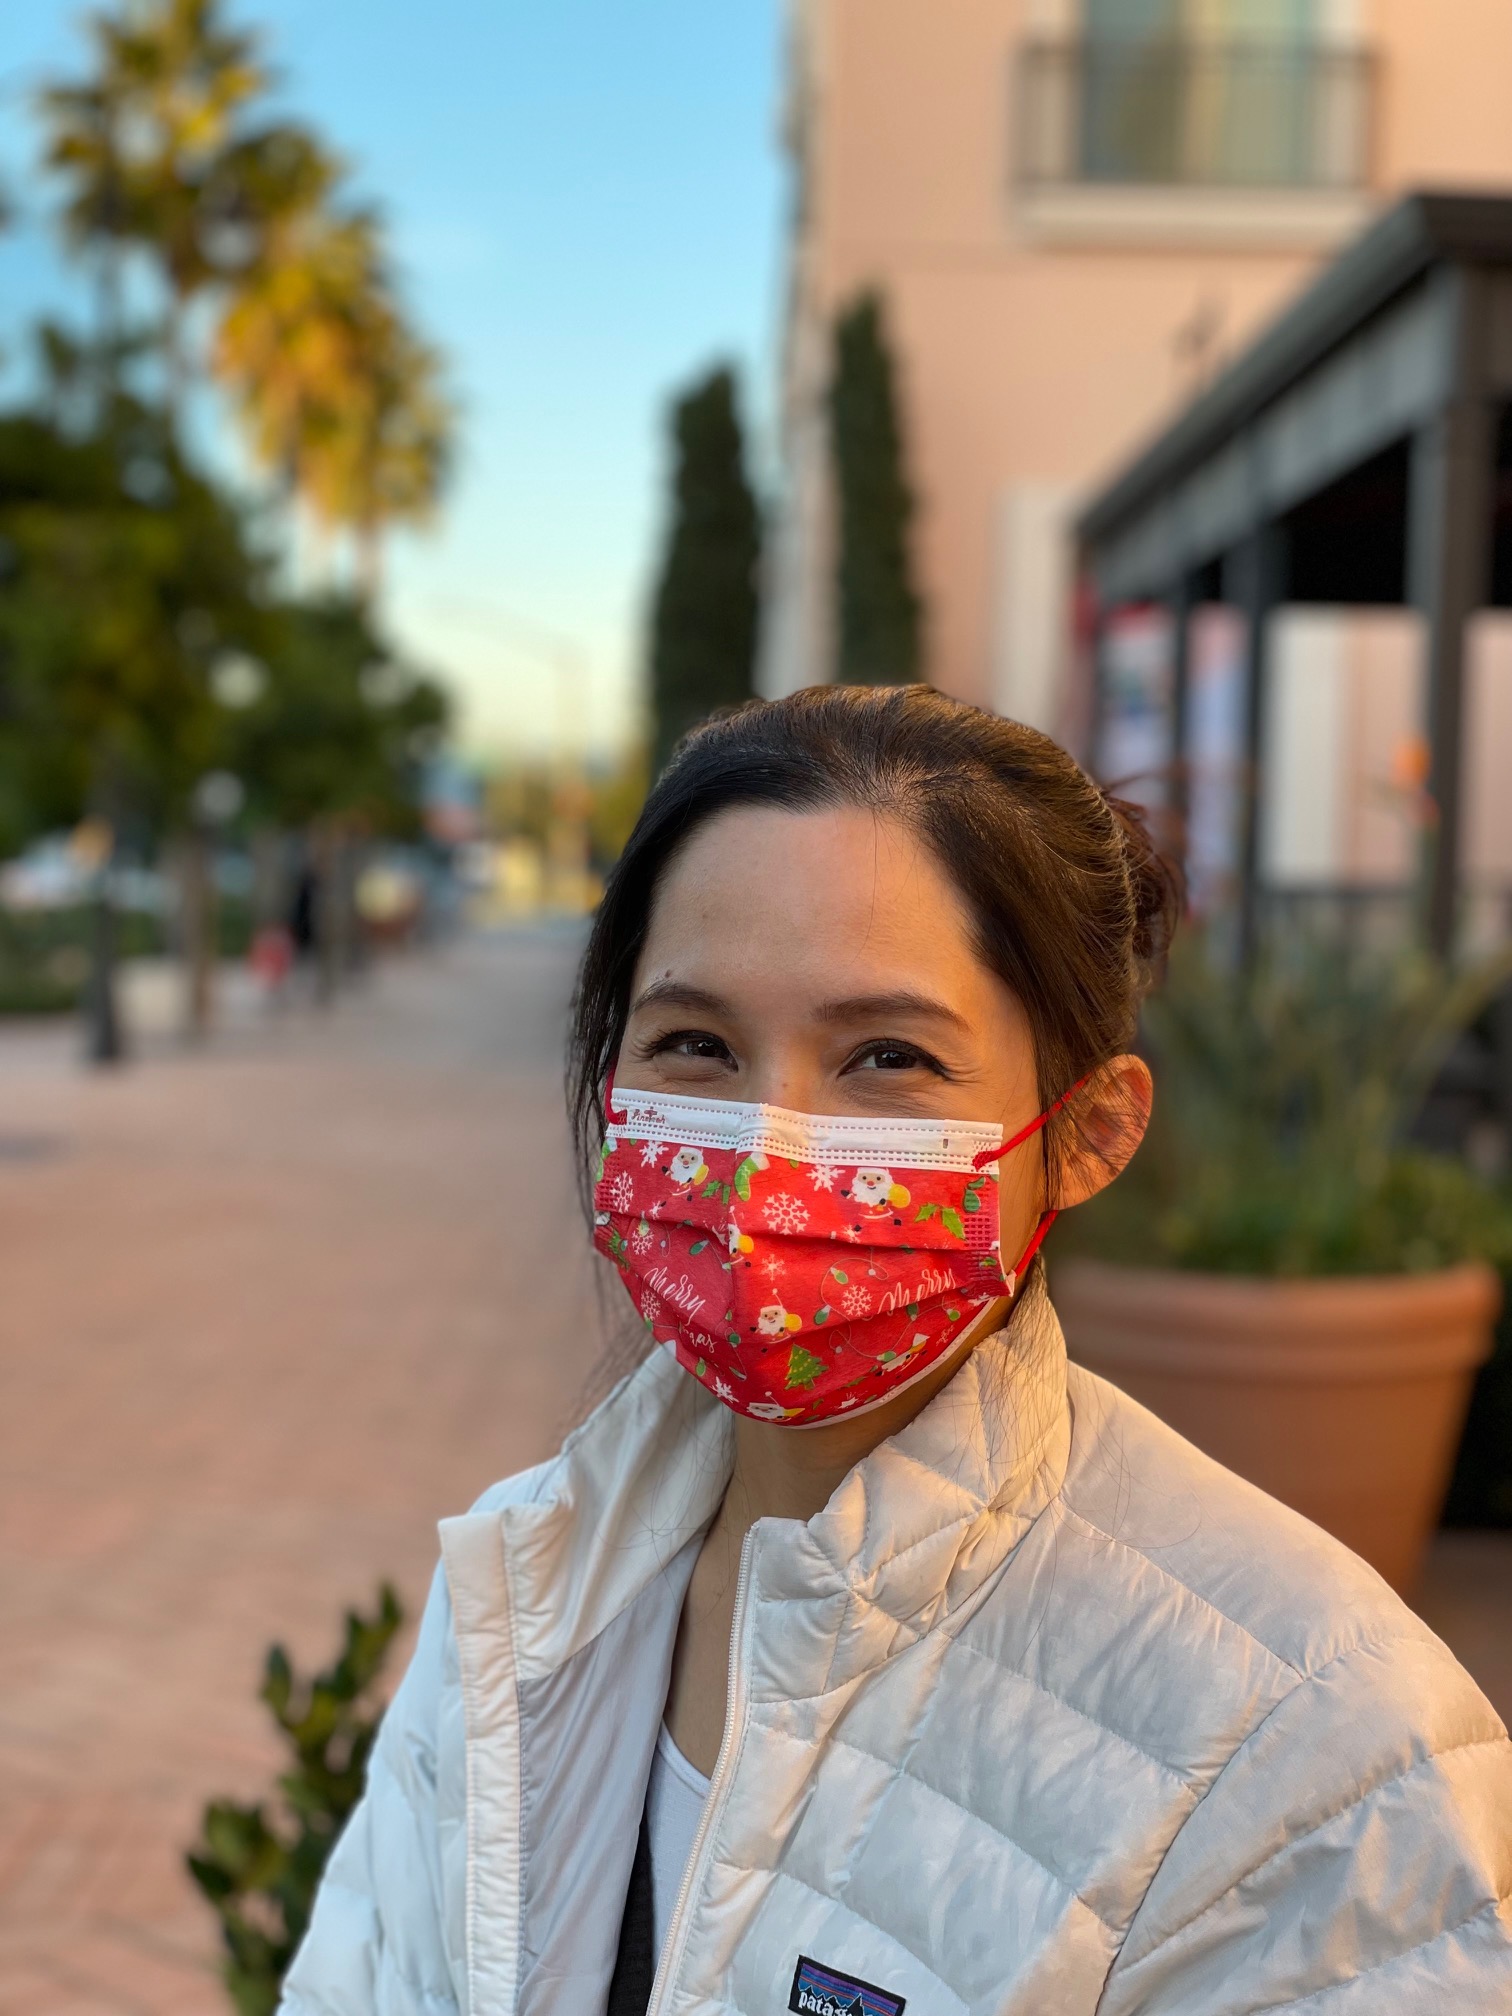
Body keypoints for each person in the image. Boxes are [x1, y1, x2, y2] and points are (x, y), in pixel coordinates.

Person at [281, 686, 1512, 2016]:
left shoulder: (1316, 1750)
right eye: (696, 1044)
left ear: (1088, 1133)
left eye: (885, 1056)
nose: (769, 1153)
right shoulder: (525, 1589)